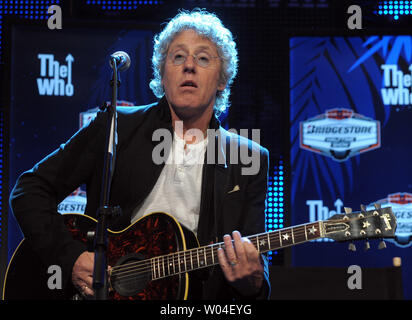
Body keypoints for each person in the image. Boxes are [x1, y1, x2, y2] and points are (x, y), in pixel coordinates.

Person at [9, 9, 270, 300]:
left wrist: (253, 282)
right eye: (178, 56)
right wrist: (71, 258)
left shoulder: (248, 157)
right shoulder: (116, 126)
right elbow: (30, 190)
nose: (189, 66)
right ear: (162, 72)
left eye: (204, 58)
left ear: (222, 79)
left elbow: (253, 263)